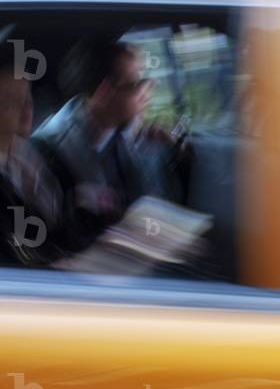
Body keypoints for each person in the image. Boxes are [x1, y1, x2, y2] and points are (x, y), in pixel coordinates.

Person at [32, 42, 186, 252]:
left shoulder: (125, 129)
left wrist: (158, 151)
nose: (148, 89)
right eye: (137, 83)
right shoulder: (51, 152)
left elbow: (154, 203)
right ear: (104, 93)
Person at [0, 45, 64, 265]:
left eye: (28, 98)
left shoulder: (28, 154)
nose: (26, 109)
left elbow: (55, 219)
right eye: (12, 101)